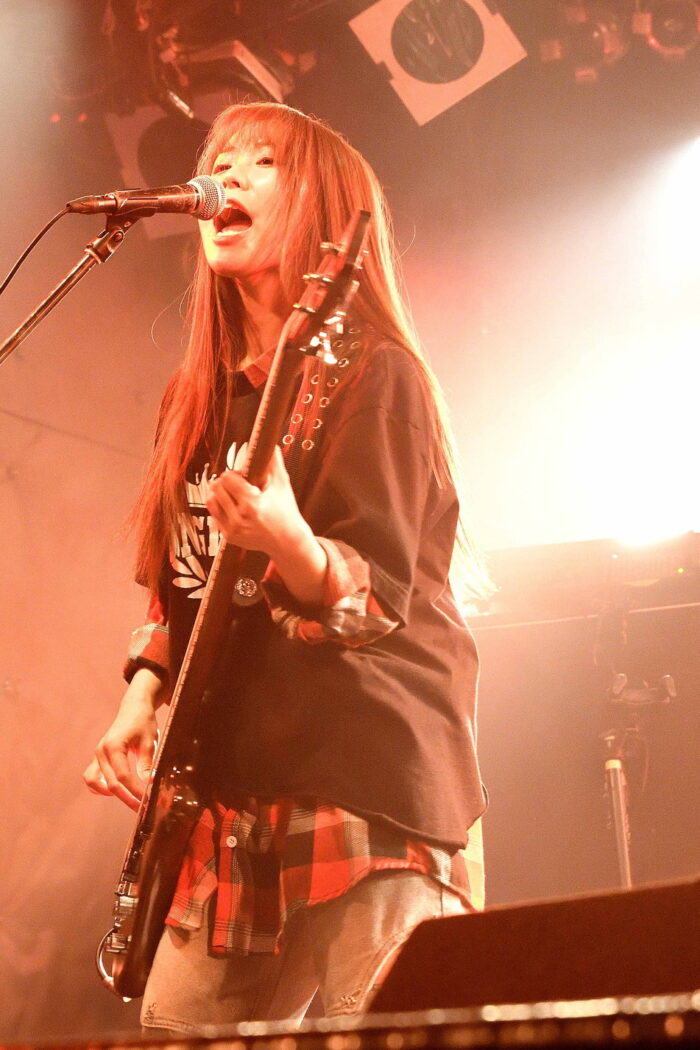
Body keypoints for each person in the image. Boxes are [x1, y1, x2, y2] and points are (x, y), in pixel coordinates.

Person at [84, 101, 488, 1032]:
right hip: (231, 790)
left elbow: (376, 601)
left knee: (384, 1032)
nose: (226, 176)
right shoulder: (195, 399)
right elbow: (181, 578)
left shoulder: (376, 374)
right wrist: (142, 690)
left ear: (325, 208)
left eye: (261, 161)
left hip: (363, 776)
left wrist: (292, 543)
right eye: (220, 158)